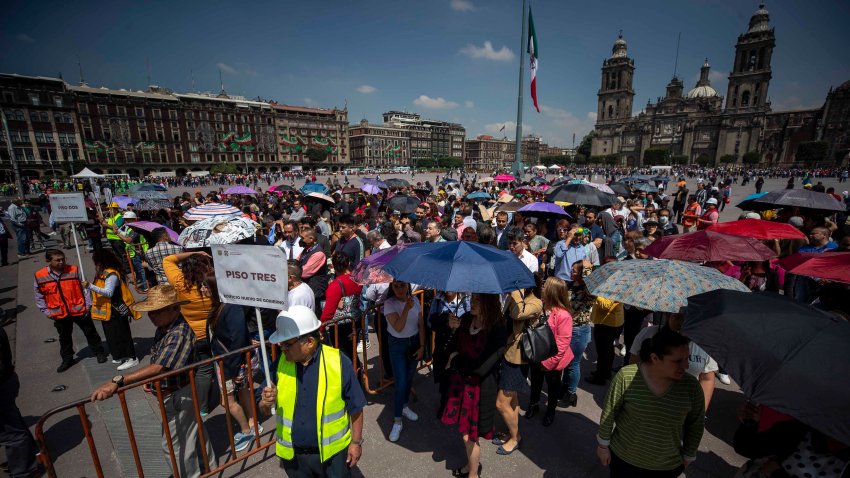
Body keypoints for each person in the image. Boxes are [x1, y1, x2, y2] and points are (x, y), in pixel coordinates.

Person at [90, 285, 217, 478]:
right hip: (176, 393)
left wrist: (118, 381)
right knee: (193, 435)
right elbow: (157, 361)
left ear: (174, 308)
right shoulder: (164, 328)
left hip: (180, 394)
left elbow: (159, 367)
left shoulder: (178, 333)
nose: (152, 316)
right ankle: (211, 469)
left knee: (175, 447)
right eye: (151, 311)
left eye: (157, 311)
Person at [259, 306, 365, 477]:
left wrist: (356, 442)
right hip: (294, 459)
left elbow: (356, 407)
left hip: (333, 456)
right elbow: (263, 408)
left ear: (309, 341)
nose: (282, 348)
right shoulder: (279, 364)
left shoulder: (337, 362)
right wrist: (265, 403)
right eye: (281, 344)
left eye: (287, 344)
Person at [596, 327, 705, 477]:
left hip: (666, 467)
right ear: (655, 358)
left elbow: (696, 424)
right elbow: (609, 412)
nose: (685, 366)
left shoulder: (691, 387)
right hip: (624, 460)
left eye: (687, 359)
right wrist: (603, 446)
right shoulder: (626, 376)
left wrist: (688, 456)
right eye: (677, 361)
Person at [441, 294, 507, 478]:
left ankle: (473, 474)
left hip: (478, 390)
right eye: (473, 299)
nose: (472, 303)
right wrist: (450, 328)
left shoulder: (498, 330)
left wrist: (456, 360)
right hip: (460, 384)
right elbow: (451, 347)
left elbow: (481, 368)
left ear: (489, 303)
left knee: (468, 435)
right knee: (465, 433)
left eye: (478, 300)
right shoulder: (466, 319)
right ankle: (469, 466)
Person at [202, 274, 257, 453]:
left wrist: (231, 370)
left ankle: (246, 430)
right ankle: (251, 423)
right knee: (243, 392)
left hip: (230, 365)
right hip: (231, 363)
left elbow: (238, 340)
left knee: (227, 400)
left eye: (206, 287)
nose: (202, 290)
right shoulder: (221, 306)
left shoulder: (230, 308)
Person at [34, 249, 107, 372]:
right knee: (64, 337)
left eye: (63, 259)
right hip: (58, 313)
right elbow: (38, 295)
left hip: (79, 310)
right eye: (58, 260)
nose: (62, 262)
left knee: (91, 333)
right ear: (48, 261)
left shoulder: (74, 270)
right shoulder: (40, 275)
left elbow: (85, 289)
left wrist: (88, 306)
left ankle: (99, 353)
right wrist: (46, 312)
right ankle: (67, 359)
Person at [629, 314, 719, 411]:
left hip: (682, 410)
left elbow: (707, 379)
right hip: (644, 404)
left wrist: (699, 412)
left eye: (690, 318)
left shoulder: (706, 344)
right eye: (678, 317)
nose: (683, 323)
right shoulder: (647, 334)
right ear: (668, 316)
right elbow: (634, 366)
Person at [163, 251, 216, 413]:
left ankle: (189, 400)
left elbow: (168, 259)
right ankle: (203, 406)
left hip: (187, 336)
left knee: (191, 369)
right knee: (205, 371)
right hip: (208, 335)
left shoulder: (178, 282)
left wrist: (192, 253)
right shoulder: (211, 287)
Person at [493, 287, 542, 455]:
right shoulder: (516, 298)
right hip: (507, 354)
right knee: (512, 399)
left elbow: (517, 314)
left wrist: (515, 292)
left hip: (518, 360)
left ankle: (516, 438)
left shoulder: (535, 302)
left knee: (501, 403)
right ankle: (511, 432)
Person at [382, 280, 425, 442]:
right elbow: (398, 327)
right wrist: (406, 309)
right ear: (392, 288)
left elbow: (420, 324)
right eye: (396, 286)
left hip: (413, 343)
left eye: (402, 285)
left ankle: (405, 405)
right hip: (397, 345)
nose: (400, 289)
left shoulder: (414, 299)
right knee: (400, 383)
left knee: (408, 378)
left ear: (408, 286)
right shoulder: (389, 304)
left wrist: (422, 345)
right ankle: (397, 420)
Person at [527, 277, 573, 427]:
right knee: (535, 383)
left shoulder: (563, 315)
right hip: (537, 354)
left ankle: (551, 411)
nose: (542, 287)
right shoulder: (540, 306)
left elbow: (562, 344)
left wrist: (547, 363)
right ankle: (534, 404)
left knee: (553, 387)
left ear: (552, 291)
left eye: (545, 286)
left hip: (553, 360)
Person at [84, 249, 141, 371]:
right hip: (108, 310)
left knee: (122, 334)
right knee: (112, 335)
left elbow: (108, 292)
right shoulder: (104, 273)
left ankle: (132, 358)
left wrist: (90, 286)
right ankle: (120, 355)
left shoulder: (112, 274)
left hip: (116, 309)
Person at [0, 326, 40, 477]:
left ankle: (24, 471)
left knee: (11, 434)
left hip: (3, 386)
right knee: (14, 425)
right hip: (6, 382)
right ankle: (26, 459)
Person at [558, 261, 594, 408]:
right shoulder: (572, 285)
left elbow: (592, 296)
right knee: (567, 361)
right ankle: (565, 387)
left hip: (579, 330)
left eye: (574, 271)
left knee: (573, 364)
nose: (571, 272)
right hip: (569, 328)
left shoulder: (588, 289)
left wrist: (586, 270)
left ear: (582, 273)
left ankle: (571, 394)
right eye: (571, 270)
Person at [320, 252, 363, 362]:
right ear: (348, 263)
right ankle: (358, 374)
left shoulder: (335, 285)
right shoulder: (357, 279)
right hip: (356, 320)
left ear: (333, 266)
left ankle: (353, 377)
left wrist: (321, 328)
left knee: (344, 357)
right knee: (352, 353)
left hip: (341, 325)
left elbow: (328, 311)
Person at [114, 211, 149, 291]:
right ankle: (141, 282)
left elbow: (129, 240)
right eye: (125, 220)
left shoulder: (135, 229)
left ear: (133, 219)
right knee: (137, 269)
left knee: (141, 270)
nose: (125, 221)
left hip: (137, 252)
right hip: (133, 252)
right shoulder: (131, 228)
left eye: (127, 220)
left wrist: (118, 234)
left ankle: (145, 286)